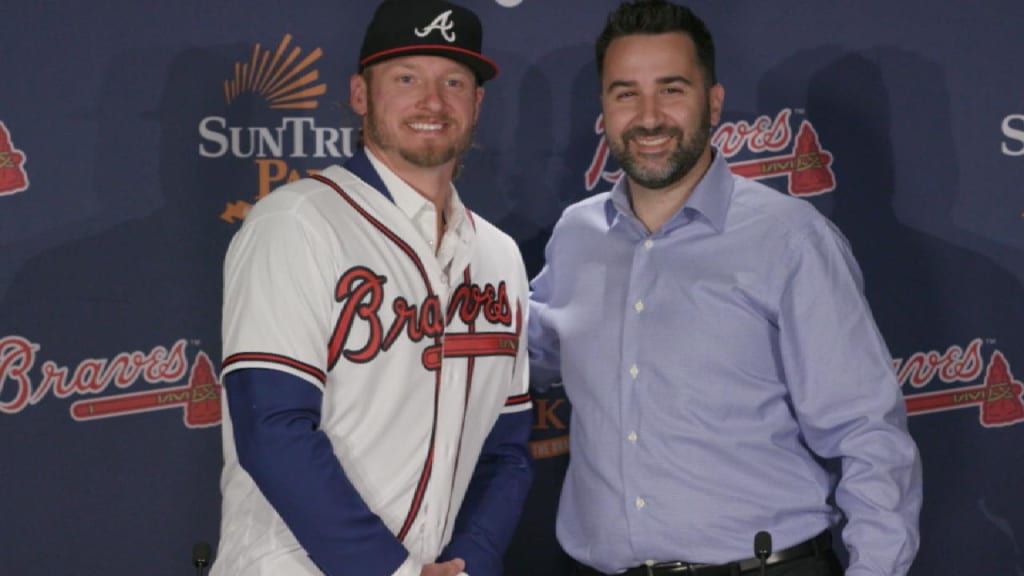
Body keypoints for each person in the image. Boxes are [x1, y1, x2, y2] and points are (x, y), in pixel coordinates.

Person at [528, 1, 922, 575]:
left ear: (713, 101)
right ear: (605, 110)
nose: (649, 116)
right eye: (625, 93)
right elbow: (513, 361)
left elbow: (867, 434)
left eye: (672, 89)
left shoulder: (789, 240)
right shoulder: (576, 236)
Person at [212, 1, 533, 575]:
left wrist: (470, 562)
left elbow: (505, 448)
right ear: (361, 94)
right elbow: (272, 428)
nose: (432, 102)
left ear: (477, 102)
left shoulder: (499, 256)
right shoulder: (298, 222)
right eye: (406, 78)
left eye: (453, 81)